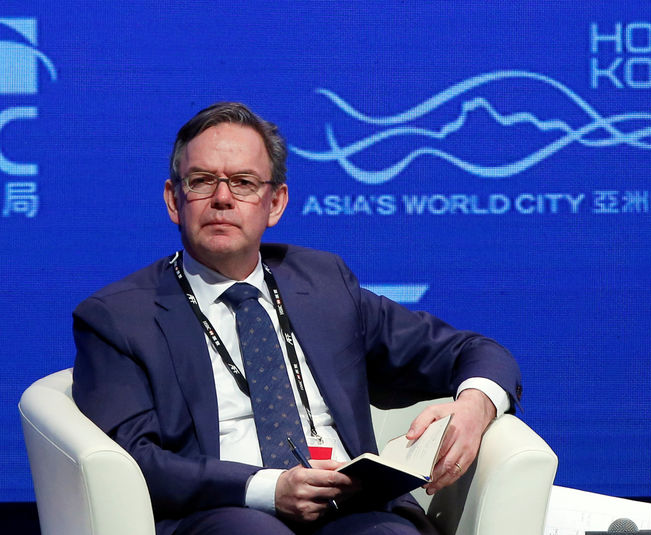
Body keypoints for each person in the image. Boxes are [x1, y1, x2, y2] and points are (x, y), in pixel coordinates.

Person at [72, 102, 522, 535]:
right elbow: (134, 460)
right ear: (174, 200)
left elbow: (473, 351)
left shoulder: (324, 283)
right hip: (225, 510)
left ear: (275, 203)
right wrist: (269, 488)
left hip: (352, 505)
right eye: (202, 181)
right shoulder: (119, 317)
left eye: (244, 182)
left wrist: (474, 406)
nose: (223, 198)